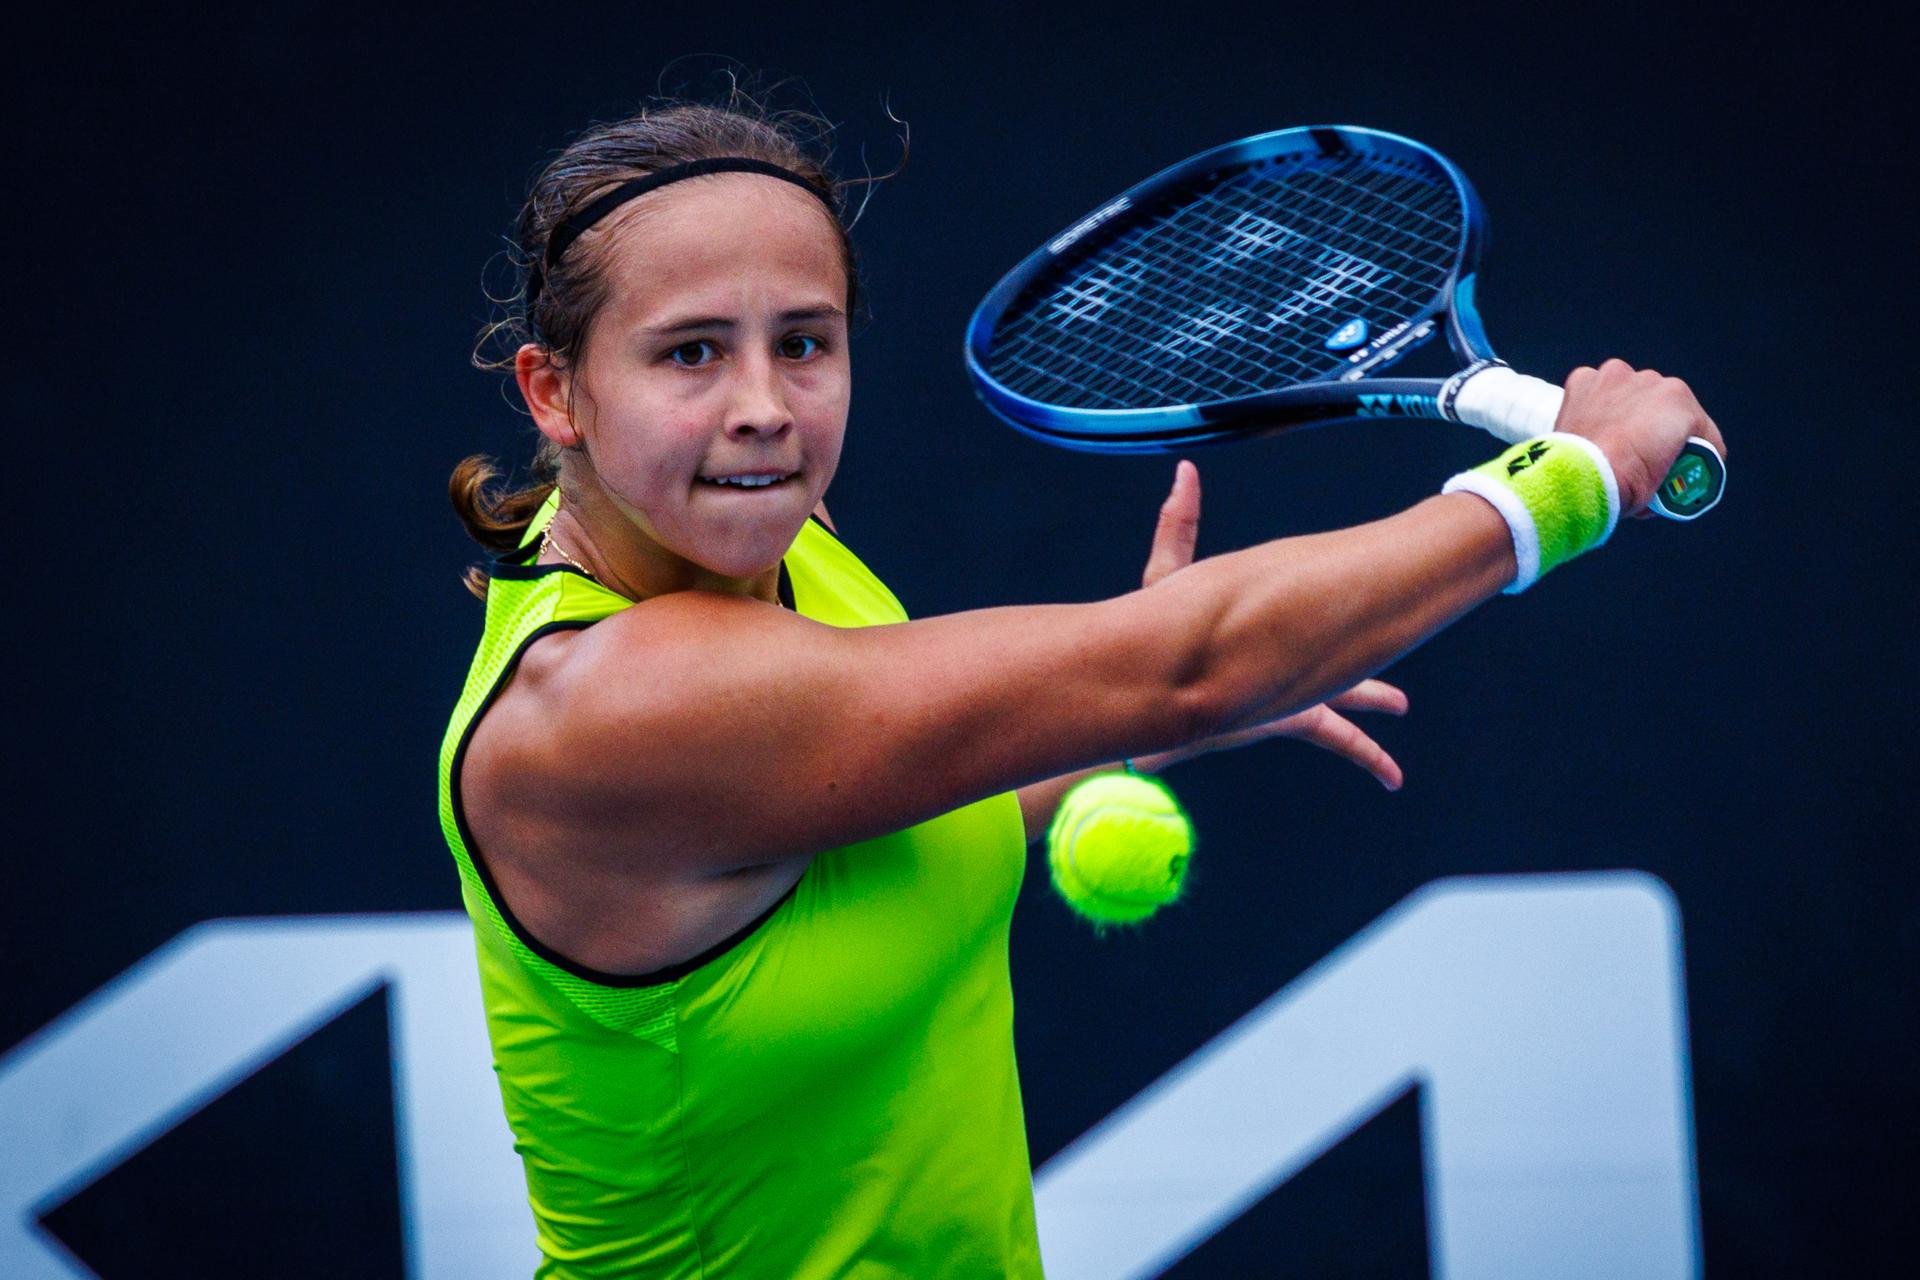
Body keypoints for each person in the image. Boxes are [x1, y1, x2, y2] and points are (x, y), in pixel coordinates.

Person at [440, 96, 1724, 1279]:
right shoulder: (615, 706)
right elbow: (1189, 663)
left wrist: (1121, 725)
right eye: (690, 354)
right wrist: (1581, 477)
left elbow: (877, 833)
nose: (765, 406)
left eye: (805, 342)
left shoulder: (765, 542)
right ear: (556, 392)